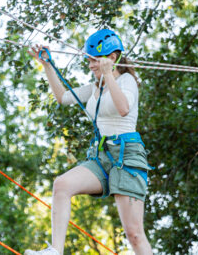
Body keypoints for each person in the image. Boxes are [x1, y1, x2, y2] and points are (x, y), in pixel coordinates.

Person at [25, 29, 153, 254]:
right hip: (103, 156)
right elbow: (63, 97)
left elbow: (123, 109)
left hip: (127, 155)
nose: (90, 65)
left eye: (94, 60)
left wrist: (109, 75)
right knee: (62, 185)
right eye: (89, 60)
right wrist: (47, 65)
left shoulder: (126, 81)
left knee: (134, 234)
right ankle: (55, 250)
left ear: (112, 58)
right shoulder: (95, 86)